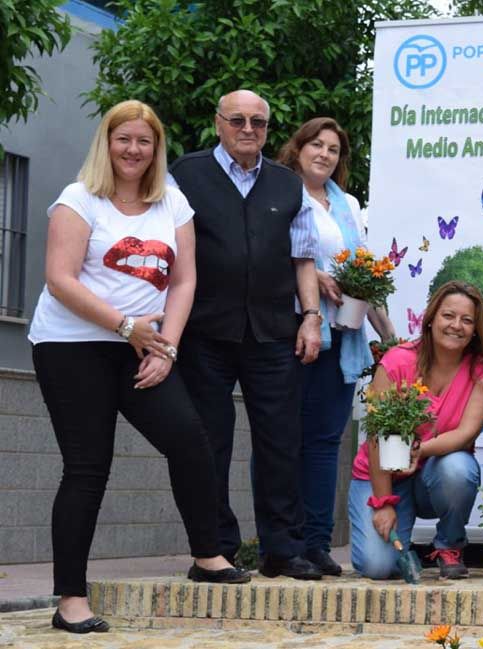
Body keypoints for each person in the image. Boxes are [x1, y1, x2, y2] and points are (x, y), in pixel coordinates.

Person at [28, 100, 250, 634]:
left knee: (190, 440)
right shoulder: (78, 200)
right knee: (88, 467)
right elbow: (61, 279)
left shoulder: (172, 203)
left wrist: (166, 346)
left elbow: (184, 281)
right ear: (106, 143)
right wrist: (128, 327)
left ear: (156, 149)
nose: (133, 149)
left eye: (144, 142)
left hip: (142, 345)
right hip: (72, 345)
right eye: (123, 139)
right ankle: (71, 599)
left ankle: (207, 556)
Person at [169, 89, 325, 580]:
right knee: (208, 441)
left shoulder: (286, 184)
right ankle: (215, 548)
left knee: (281, 441)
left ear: (268, 128)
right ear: (218, 123)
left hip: (273, 333)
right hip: (204, 334)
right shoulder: (185, 174)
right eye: (237, 120)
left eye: (258, 122)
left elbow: (304, 258)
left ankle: (282, 548)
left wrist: (312, 316)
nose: (248, 129)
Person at [275, 117, 397, 576]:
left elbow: (364, 274)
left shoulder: (347, 203)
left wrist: (391, 340)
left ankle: (316, 543)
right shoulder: (280, 192)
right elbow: (269, 256)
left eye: (333, 149)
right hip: (290, 330)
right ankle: (281, 543)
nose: (324, 154)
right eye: (316, 145)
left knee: (326, 443)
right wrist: (311, 278)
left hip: (343, 335)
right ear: (299, 148)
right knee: (283, 439)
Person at [349, 281, 483, 580]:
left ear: (475, 328)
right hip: (382, 475)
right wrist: (382, 503)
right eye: (448, 316)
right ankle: (404, 547)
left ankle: (448, 545)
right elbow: (378, 434)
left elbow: (466, 434)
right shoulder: (397, 361)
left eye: (467, 320)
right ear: (431, 318)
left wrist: (419, 452)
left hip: (432, 474)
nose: (456, 325)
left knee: (459, 467)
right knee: (378, 568)